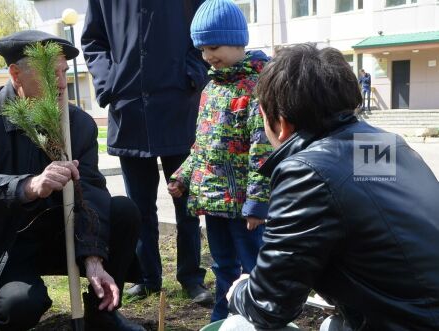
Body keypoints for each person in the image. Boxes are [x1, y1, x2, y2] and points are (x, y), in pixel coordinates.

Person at [0, 30, 145, 331]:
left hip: (60, 234)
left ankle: (102, 313)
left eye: (63, 73)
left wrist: (93, 256)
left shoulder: (78, 124)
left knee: (124, 211)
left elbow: (89, 191)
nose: (61, 84)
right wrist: (28, 186)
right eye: (49, 75)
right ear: (15, 74)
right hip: (4, 243)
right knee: (20, 304)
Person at [223, 43, 439, 330]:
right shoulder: (380, 144)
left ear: (281, 122)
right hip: (421, 311)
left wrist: (239, 290)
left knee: (240, 326)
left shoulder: (306, 172)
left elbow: (269, 306)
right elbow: (377, 235)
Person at [81, 0, 212, 304]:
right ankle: (147, 277)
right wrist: (108, 82)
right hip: (129, 113)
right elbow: (92, 40)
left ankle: (191, 277)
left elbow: (204, 29)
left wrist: (192, 73)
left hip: (179, 107)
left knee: (188, 204)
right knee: (139, 207)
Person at [168, 0, 273, 322]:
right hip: (214, 202)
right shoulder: (211, 88)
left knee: (252, 264)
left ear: (238, 41)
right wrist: (183, 176)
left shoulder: (256, 88)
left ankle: (259, 316)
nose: (208, 56)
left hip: (243, 205)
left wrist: (258, 202)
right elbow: (203, 144)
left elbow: (262, 149)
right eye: (201, 50)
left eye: (214, 46)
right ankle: (224, 315)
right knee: (222, 263)